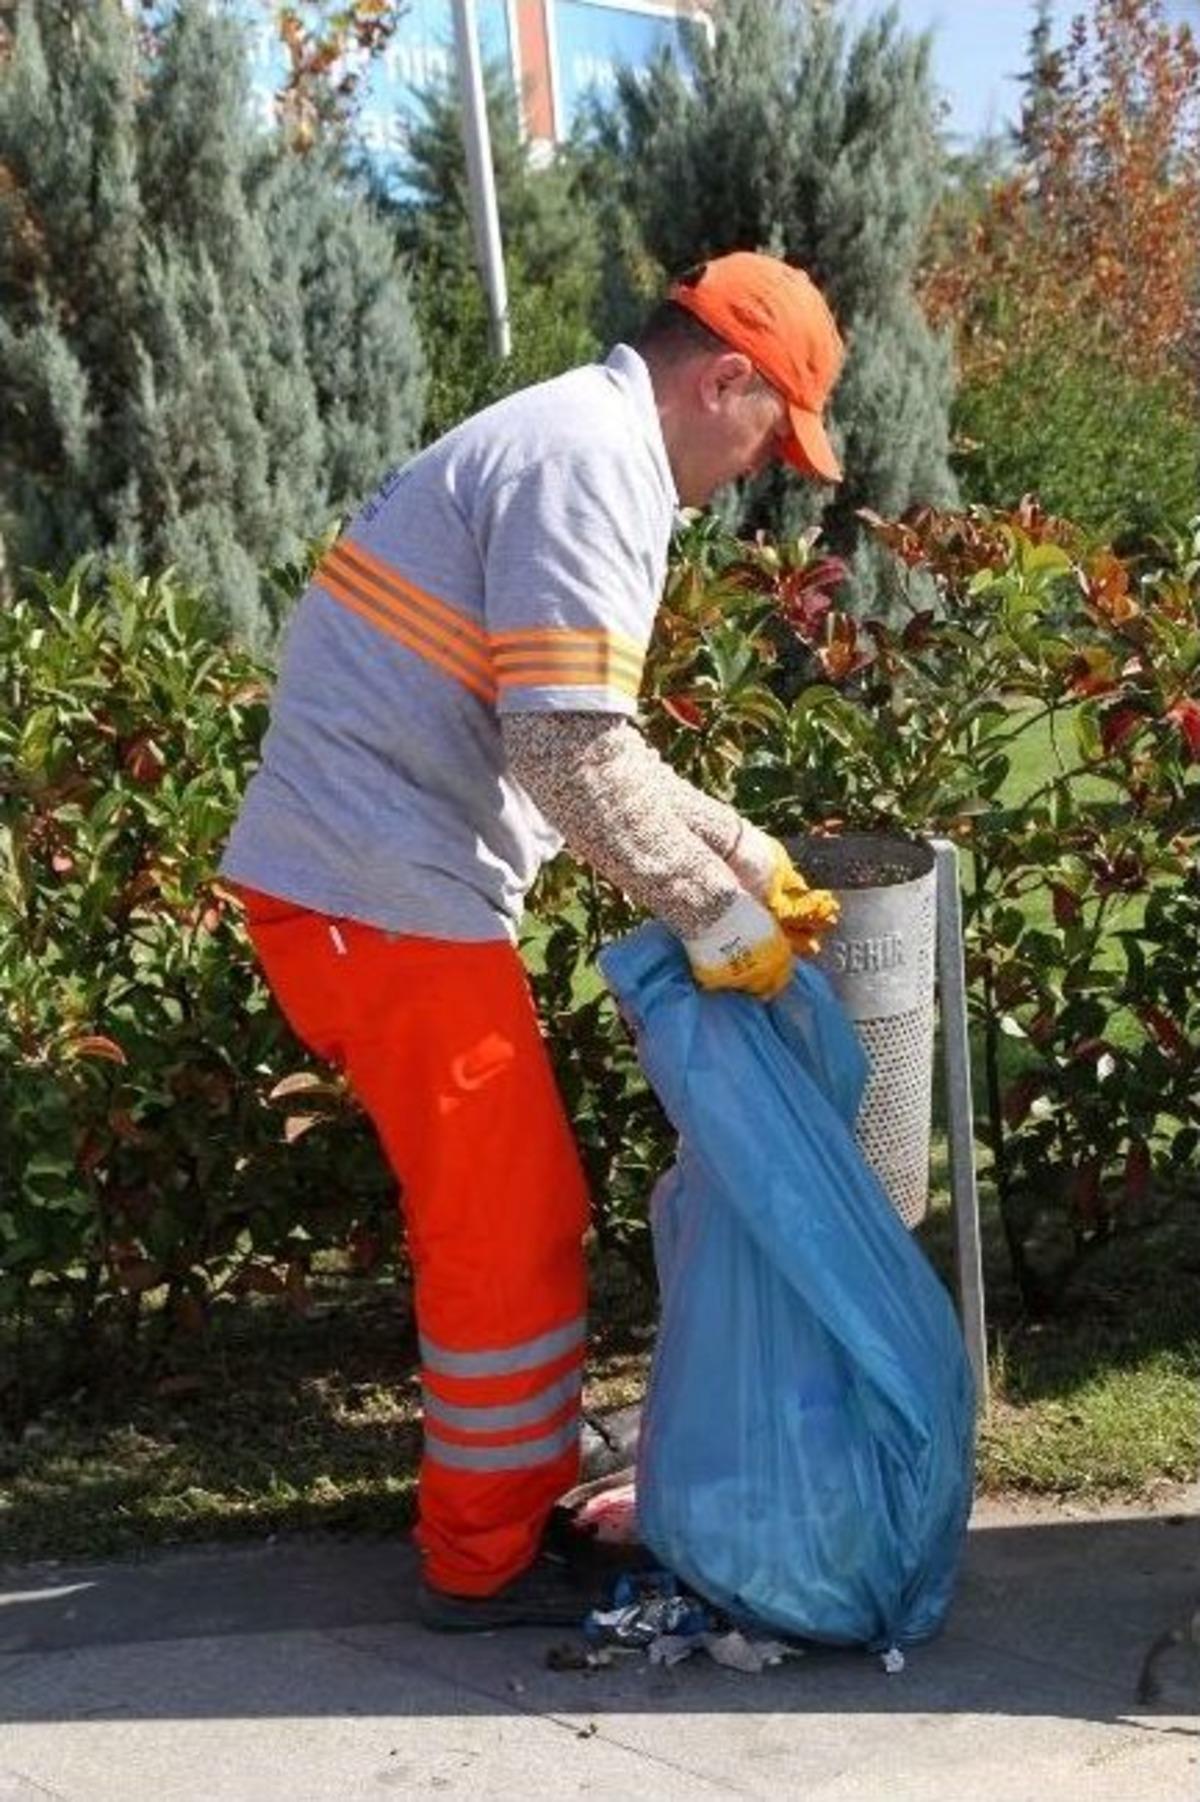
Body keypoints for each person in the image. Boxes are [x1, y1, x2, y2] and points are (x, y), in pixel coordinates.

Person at [220, 250, 845, 1630]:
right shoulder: (592, 466)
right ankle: (481, 1555)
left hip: (374, 886)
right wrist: (719, 916)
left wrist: (744, 851)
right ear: (723, 377)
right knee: (505, 1229)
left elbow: (586, 737)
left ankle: (513, 1486)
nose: (760, 470)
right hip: (375, 891)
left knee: (520, 1209)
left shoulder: (580, 435)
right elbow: (566, 755)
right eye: (771, 433)